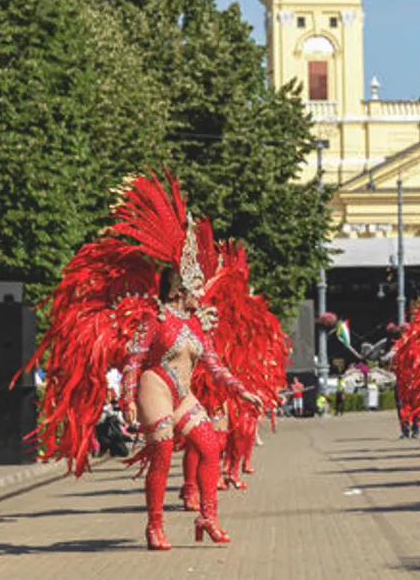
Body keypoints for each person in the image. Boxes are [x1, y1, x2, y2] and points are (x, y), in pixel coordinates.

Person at [24, 174, 269, 551]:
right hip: (156, 387)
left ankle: (208, 515)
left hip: (183, 393)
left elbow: (216, 368)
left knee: (209, 446)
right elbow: (133, 364)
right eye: (195, 287)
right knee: (164, 452)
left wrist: (244, 392)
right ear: (177, 287)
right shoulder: (154, 320)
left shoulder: (198, 324)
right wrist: (127, 404)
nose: (202, 293)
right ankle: (155, 525)